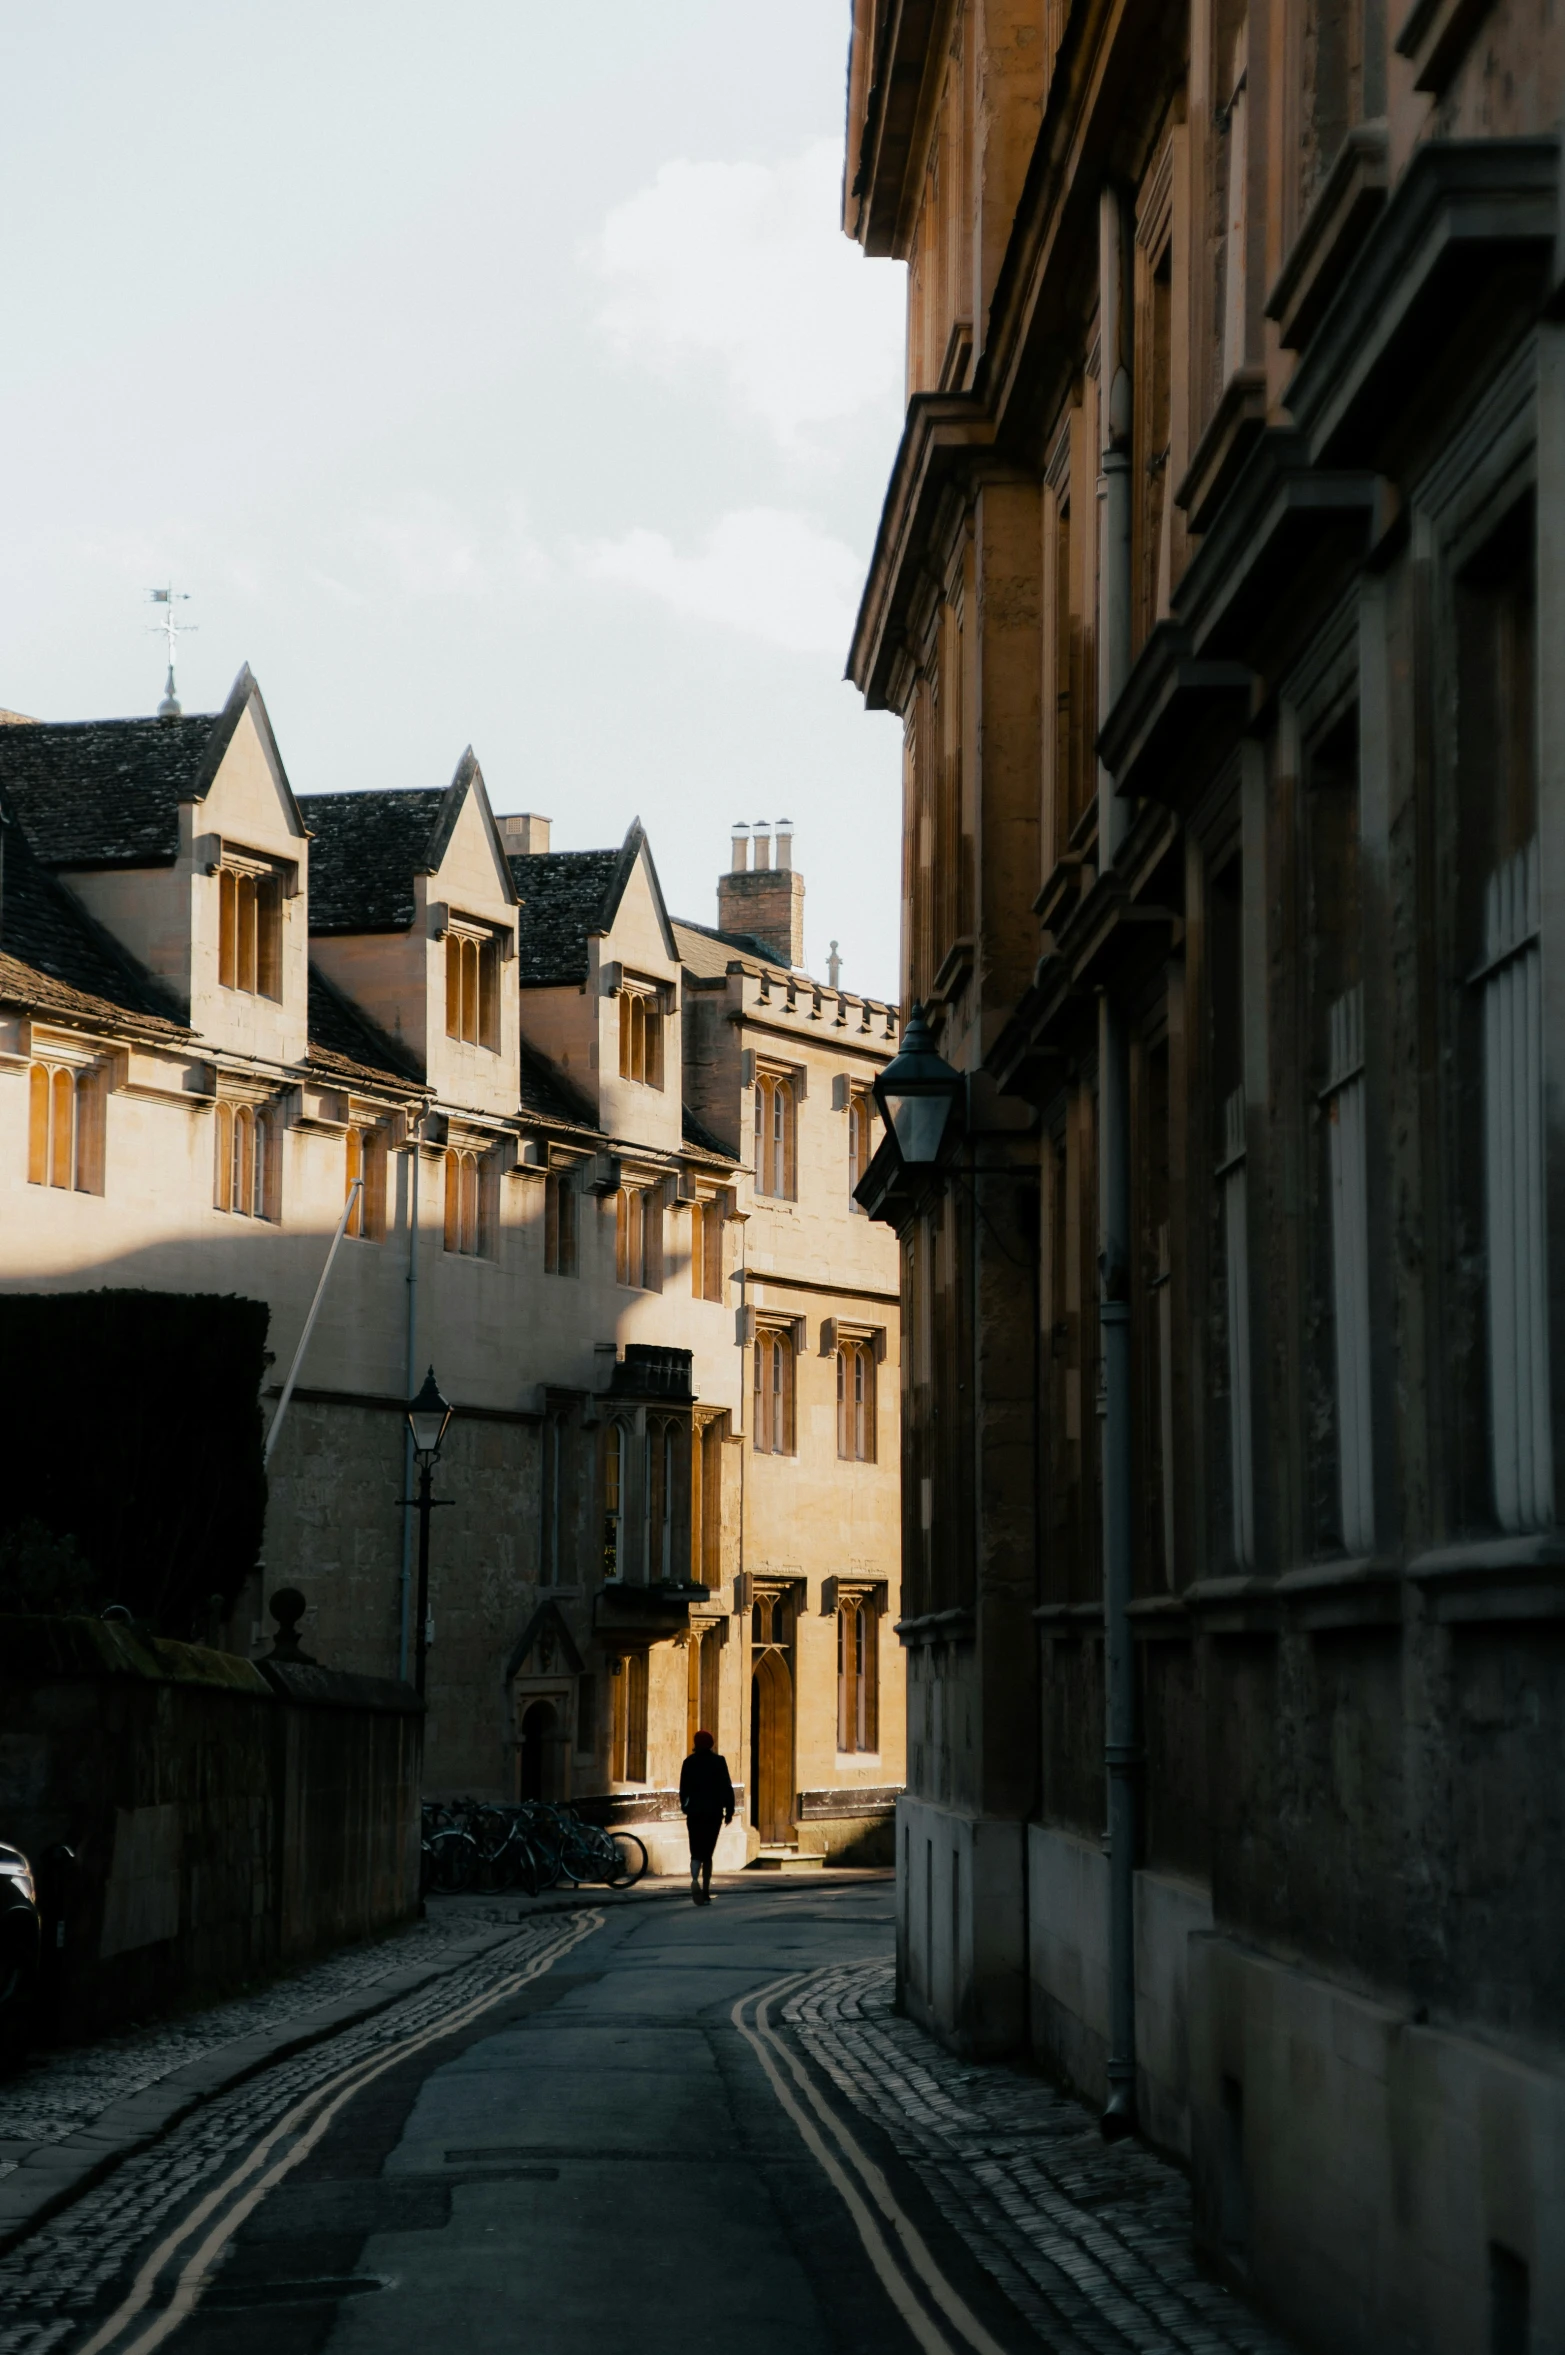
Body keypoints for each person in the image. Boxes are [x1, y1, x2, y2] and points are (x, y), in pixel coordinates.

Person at [678, 1729, 733, 1904]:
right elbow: (726, 1787)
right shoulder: (718, 1761)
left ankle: (694, 1879)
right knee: (707, 1853)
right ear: (711, 1743)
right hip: (713, 1813)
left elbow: (683, 1790)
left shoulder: (689, 1763)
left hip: (694, 1812)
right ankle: (706, 1891)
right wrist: (729, 1811)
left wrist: (685, 1807)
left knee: (695, 1850)